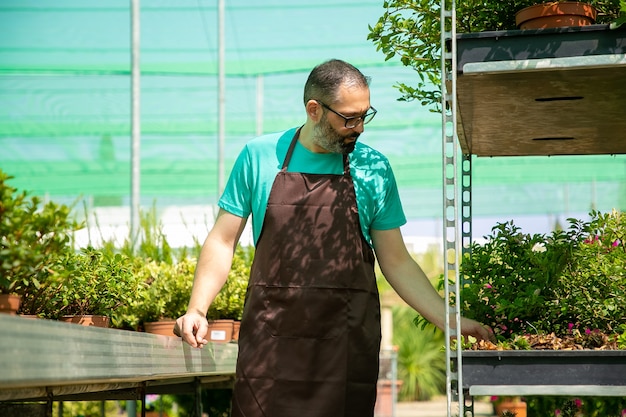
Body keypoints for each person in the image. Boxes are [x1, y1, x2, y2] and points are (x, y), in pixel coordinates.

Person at [175, 59, 494, 417]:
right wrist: (197, 308)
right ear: (314, 109)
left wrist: (449, 320)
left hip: (344, 348)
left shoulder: (373, 167)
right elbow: (222, 240)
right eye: (348, 118)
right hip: (271, 345)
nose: (358, 127)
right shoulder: (259, 156)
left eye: (364, 115)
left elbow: (396, 260)